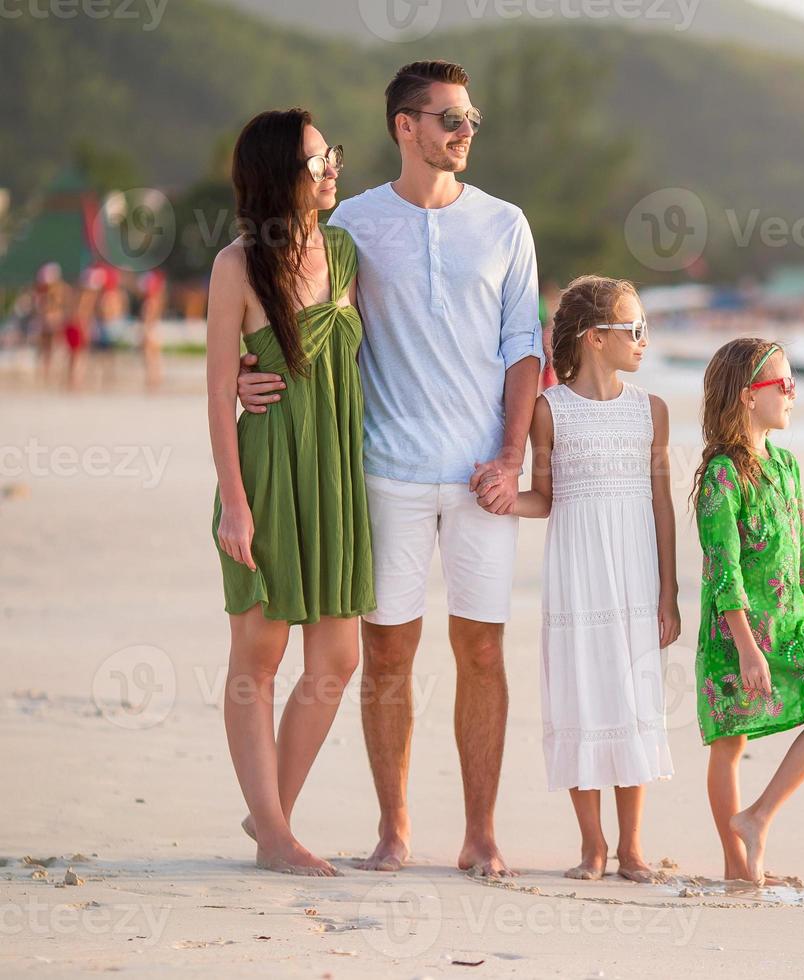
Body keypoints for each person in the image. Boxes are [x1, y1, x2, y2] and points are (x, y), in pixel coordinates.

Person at [237, 61, 543, 877]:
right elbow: (281, 299)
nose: (465, 131)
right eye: (449, 118)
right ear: (405, 127)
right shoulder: (353, 227)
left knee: (483, 652)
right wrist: (242, 367)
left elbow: (525, 350)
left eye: (471, 118)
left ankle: (480, 832)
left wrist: (513, 457)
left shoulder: (507, 224)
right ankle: (396, 828)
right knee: (389, 655)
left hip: (483, 476)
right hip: (384, 470)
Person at [207, 108, 371, 875]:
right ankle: (276, 835)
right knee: (260, 653)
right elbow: (215, 391)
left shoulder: (344, 251)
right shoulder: (237, 267)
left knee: (338, 655)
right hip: (269, 469)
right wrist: (233, 502)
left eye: (331, 154)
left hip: (337, 471)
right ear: (278, 177)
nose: (332, 167)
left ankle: (269, 816)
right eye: (316, 161)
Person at [513, 275, 679, 882]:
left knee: (633, 699)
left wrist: (670, 591)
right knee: (583, 695)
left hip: (636, 579)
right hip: (577, 577)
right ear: (594, 338)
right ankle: (593, 846)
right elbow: (544, 497)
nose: (643, 340)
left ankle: (633, 847)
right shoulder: (548, 411)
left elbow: (661, 504)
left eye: (644, 329)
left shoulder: (650, 411)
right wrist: (504, 497)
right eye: (632, 329)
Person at [692, 338, 804, 884]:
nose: (792, 395)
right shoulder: (722, 474)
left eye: (793, 384)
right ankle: (735, 865)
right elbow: (724, 570)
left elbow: (801, 554)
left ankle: (757, 818)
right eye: (783, 385)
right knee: (731, 741)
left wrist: (802, 630)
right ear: (747, 396)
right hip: (736, 634)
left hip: (789, 630)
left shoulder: (786, 465)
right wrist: (746, 649)